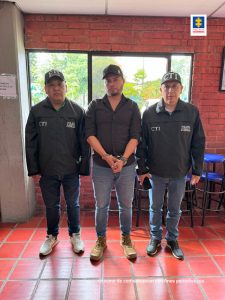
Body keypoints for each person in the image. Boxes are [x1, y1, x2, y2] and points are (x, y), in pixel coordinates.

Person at [136, 71, 205, 260]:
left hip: (179, 172)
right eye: (166, 86)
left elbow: (198, 142)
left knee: (175, 209)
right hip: (155, 173)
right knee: (155, 208)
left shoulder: (191, 112)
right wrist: (141, 170)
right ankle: (155, 238)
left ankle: (173, 239)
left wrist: (197, 170)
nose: (170, 90)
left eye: (175, 86)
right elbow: (141, 144)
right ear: (160, 89)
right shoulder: (149, 114)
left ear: (181, 89)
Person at [25, 69, 90, 256]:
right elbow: (30, 141)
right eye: (51, 85)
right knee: (51, 205)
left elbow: (84, 141)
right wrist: (34, 169)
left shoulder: (77, 111)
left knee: (73, 204)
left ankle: (75, 234)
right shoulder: (37, 111)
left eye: (59, 85)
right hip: (48, 169)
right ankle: (51, 236)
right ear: (45, 89)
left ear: (66, 87)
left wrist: (83, 167)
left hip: (70, 169)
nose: (56, 89)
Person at [85, 64, 141, 261]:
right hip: (101, 166)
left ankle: (126, 239)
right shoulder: (95, 106)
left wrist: (123, 159)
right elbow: (89, 135)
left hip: (126, 166)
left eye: (115, 79)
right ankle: (101, 240)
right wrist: (107, 157)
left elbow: (135, 136)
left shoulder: (132, 106)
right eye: (108, 80)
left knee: (126, 205)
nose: (111, 83)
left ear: (122, 81)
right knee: (102, 205)